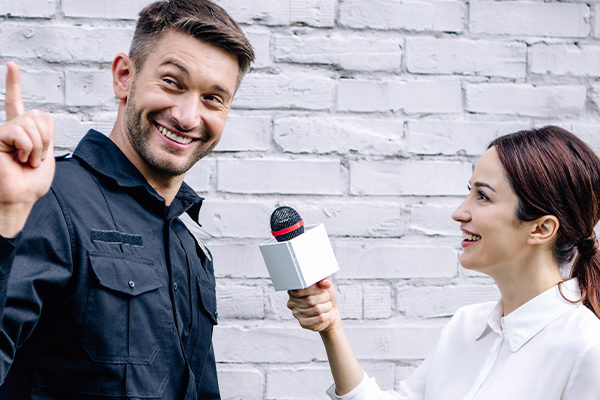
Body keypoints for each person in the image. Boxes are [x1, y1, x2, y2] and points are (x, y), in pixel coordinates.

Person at [0, 0, 254, 398]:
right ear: (124, 76)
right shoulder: (47, 200)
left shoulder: (189, 246)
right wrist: (5, 216)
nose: (188, 116)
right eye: (172, 82)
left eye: (212, 98)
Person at [287, 126, 600, 399]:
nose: (459, 213)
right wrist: (331, 326)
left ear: (541, 229)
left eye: (483, 196)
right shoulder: (465, 326)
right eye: (470, 192)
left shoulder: (587, 348)